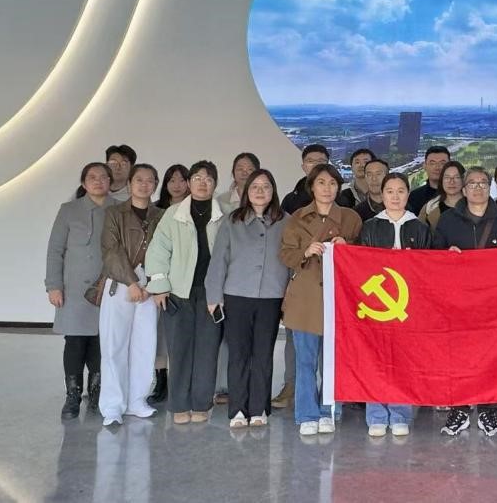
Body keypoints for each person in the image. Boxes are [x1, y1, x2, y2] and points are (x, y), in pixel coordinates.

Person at [433, 166, 497, 437]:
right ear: (463, 189)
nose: (478, 188)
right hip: (457, 304)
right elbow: (432, 259)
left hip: (494, 304)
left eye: (483, 183)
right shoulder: (448, 220)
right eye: (472, 183)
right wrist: (446, 256)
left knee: (491, 357)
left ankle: (488, 409)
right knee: (457, 357)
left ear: (490, 186)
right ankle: (459, 409)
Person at [280, 164, 363, 436]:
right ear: (312, 187)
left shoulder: (351, 218)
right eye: (321, 183)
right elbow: (286, 255)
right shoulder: (297, 217)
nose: (327, 189)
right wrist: (305, 252)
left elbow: (365, 258)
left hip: (338, 298)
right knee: (305, 361)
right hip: (305, 298)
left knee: (332, 361)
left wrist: (347, 249)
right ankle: (306, 413)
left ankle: (329, 411)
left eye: (332, 183)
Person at [144, 160, 226, 424]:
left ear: (215, 184)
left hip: (212, 294)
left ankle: (201, 403)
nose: (203, 183)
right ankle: (179, 404)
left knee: (207, 350)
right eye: (198, 178)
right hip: (178, 293)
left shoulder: (224, 215)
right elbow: (158, 251)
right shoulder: (173, 214)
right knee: (178, 350)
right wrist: (159, 287)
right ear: (189, 183)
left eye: (208, 179)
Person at [205, 169, 288, 429]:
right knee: (238, 354)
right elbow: (219, 260)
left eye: (266, 186)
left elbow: (292, 261)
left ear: (273, 191)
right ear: (246, 191)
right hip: (237, 295)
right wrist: (214, 296)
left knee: (263, 354)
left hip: (271, 296)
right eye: (255, 186)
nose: (260, 191)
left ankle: (259, 408)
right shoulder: (233, 220)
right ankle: (238, 409)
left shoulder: (286, 221)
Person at [358, 172, 432, 436]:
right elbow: (360, 265)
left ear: (408, 194)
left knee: (403, 360)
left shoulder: (420, 228)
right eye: (390, 191)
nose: (395, 196)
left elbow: (429, 268)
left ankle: (400, 414)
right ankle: (377, 415)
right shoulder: (370, 227)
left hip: (407, 306)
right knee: (374, 359)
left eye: (401, 191)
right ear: (382, 194)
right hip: (377, 304)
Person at [46, 162, 116, 419]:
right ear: (84, 183)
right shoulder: (69, 210)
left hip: (108, 287)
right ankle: (73, 396)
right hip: (74, 289)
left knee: (101, 341)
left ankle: (97, 393)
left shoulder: (119, 209)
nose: (98, 181)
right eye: (92, 177)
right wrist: (54, 286)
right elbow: (55, 250)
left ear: (110, 182)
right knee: (75, 342)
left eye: (103, 177)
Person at [97, 163, 163, 426]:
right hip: (120, 284)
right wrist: (132, 282)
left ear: (155, 185)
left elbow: (165, 250)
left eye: (150, 180)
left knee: (145, 345)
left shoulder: (161, 215)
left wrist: (153, 284)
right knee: (114, 346)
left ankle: (137, 400)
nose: (144, 185)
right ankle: (113, 406)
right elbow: (111, 249)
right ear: (129, 184)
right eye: (139, 180)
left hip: (150, 288)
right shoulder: (115, 213)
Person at [149, 163, 189, 403]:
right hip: (162, 283)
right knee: (160, 335)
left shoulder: (196, 210)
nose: (177, 185)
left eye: (182, 180)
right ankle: (161, 380)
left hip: (186, 283)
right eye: (172, 180)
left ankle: (182, 381)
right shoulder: (156, 211)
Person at [282, 144, 352, 214]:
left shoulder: (341, 199)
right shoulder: (290, 200)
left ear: (328, 165)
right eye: (310, 161)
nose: (315, 165)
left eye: (320, 161)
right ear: (303, 167)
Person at [421, 160, 466, 229]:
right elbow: (418, 233)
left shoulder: (476, 204)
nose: (451, 182)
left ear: (463, 180)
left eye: (457, 177)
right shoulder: (429, 208)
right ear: (441, 180)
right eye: (447, 177)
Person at [407, 146, 450, 214]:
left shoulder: (460, 195)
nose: (437, 167)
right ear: (424, 166)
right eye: (432, 163)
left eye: (442, 163)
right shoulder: (414, 197)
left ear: (450, 166)